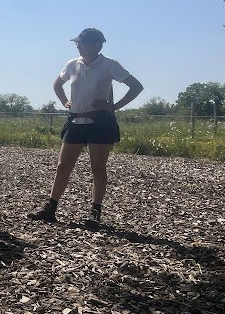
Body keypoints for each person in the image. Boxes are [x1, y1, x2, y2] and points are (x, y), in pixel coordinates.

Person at [28, 28, 143, 229]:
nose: (78, 45)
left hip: (100, 122)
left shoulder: (110, 64)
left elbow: (136, 86)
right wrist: (65, 102)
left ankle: (95, 212)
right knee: (63, 165)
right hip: (75, 121)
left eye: (82, 43)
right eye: (78, 43)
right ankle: (50, 208)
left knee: (98, 168)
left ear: (96, 45)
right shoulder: (72, 64)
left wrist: (113, 106)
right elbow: (57, 85)